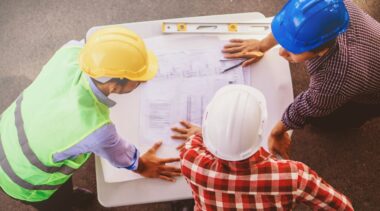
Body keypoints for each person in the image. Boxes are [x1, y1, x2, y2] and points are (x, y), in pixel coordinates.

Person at [0, 26, 181, 210]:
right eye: (138, 79)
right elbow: (121, 156)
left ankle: (68, 198)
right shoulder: (95, 128)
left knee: (63, 186)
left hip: (6, 135)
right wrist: (143, 167)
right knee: (57, 203)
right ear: (114, 84)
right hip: (23, 179)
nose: (143, 82)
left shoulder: (70, 51)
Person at [222, 0, 380, 159]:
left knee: (327, 119)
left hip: (373, 93)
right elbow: (292, 26)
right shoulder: (329, 8)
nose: (281, 53)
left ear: (321, 51)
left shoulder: (336, 79)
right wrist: (262, 45)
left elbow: (308, 105)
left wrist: (278, 131)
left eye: (292, 50)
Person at [172, 84, 354, 210]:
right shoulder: (293, 177)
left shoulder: (190, 158)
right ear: (261, 128)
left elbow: (195, 140)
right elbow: (342, 207)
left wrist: (208, 132)